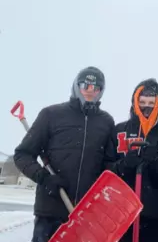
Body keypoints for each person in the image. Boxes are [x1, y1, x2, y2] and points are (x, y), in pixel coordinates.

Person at [13, 66, 115, 242]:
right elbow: (22, 155)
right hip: (50, 212)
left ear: (101, 91)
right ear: (76, 86)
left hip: (86, 215)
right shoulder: (51, 115)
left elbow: (108, 164)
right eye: (85, 85)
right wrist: (44, 178)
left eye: (96, 88)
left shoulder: (106, 122)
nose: (90, 91)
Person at [107, 78, 158, 242]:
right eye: (143, 101)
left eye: (151, 102)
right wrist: (124, 165)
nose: (147, 107)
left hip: (157, 213)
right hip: (123, 213)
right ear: (135, 102)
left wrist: (155, 162)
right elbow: (106, 171)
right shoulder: (119, 130)